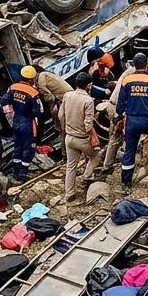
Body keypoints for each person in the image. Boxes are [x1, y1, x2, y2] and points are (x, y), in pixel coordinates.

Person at [116, 55, 148, 189]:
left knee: (129, 151)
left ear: (134, 64)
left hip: (132, 121)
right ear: (146, 65)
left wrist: (119, 116)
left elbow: (121, 102)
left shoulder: (126, 80)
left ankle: (125, 183)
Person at [58, 72, 99, 202]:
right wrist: (93, 137)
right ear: (89, 85)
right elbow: (88, 125)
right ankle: (88, 175)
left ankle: (69, 193)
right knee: (95, 157)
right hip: (82, 139)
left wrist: (66, 129)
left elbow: (60, 115)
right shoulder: (88, 100)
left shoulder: (67, 95)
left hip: (69, 138)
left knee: (71, 166)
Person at [0, 66, 44, 181]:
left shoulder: (13, 87)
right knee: (29, 147)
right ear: (31, 79)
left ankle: (15, 170)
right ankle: (22, 173)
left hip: (16, 121)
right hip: (28, 123)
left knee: (17, 145)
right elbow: (38, 112)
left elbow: (4, 100)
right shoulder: (33, 92)